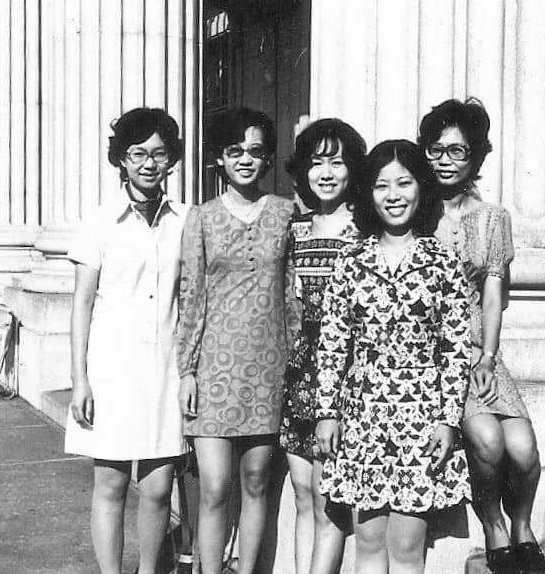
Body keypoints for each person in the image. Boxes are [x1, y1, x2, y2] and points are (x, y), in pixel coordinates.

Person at [315, 139, 472, 574]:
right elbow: (332, 343)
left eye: (404, 183)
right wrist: (327, 412)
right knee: (367, 542)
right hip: (362, 415)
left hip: (420, 418)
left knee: (406, 544)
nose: (394, 195)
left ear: (421, 188)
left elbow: (455, 348)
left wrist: (448, 419)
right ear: (368, 192)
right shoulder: (351, 260)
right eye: (382, 186)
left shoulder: (442, 262)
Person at [419, 98, 545, 574]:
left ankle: (522, 524)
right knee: (488, 443)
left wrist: (488, 356)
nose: (446, 161)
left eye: (458, 151)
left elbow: (493, 292)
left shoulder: (493, 218)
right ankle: (492, 523)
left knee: (524, 449)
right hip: (435, 351)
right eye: (436, 150)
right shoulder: (417, 211)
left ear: (477, 157)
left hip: (477, 348)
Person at [177, 107, 300, 574]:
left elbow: (290, 294)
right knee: (214, 485)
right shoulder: (201, 218)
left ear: (268, 158)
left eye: (255, 151)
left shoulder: (286, 213)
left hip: (268, 367)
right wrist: (186, 369)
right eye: (235, 152)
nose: (245, 160)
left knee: (256, 480)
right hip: (213, 369)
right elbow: (192, 295)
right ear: (219, 160)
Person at [65, 107, 187, 574]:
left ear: (171, 159)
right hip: (112, 371)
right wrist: (80, 380)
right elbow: (82, 305)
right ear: (121, 159)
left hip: (165, 371)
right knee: (111, 485)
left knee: (158, 489)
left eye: (159, 153)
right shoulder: (99, 222)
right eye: (138, 153)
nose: (148, 163)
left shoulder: (184, 220)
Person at [279, 118, 366, 574]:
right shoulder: (297, 230)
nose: (326, 172)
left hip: (345, 375)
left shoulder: (365, 230)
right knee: (301, 490)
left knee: (327, 495)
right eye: (316, 163)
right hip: (299, 371)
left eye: (337, 161)